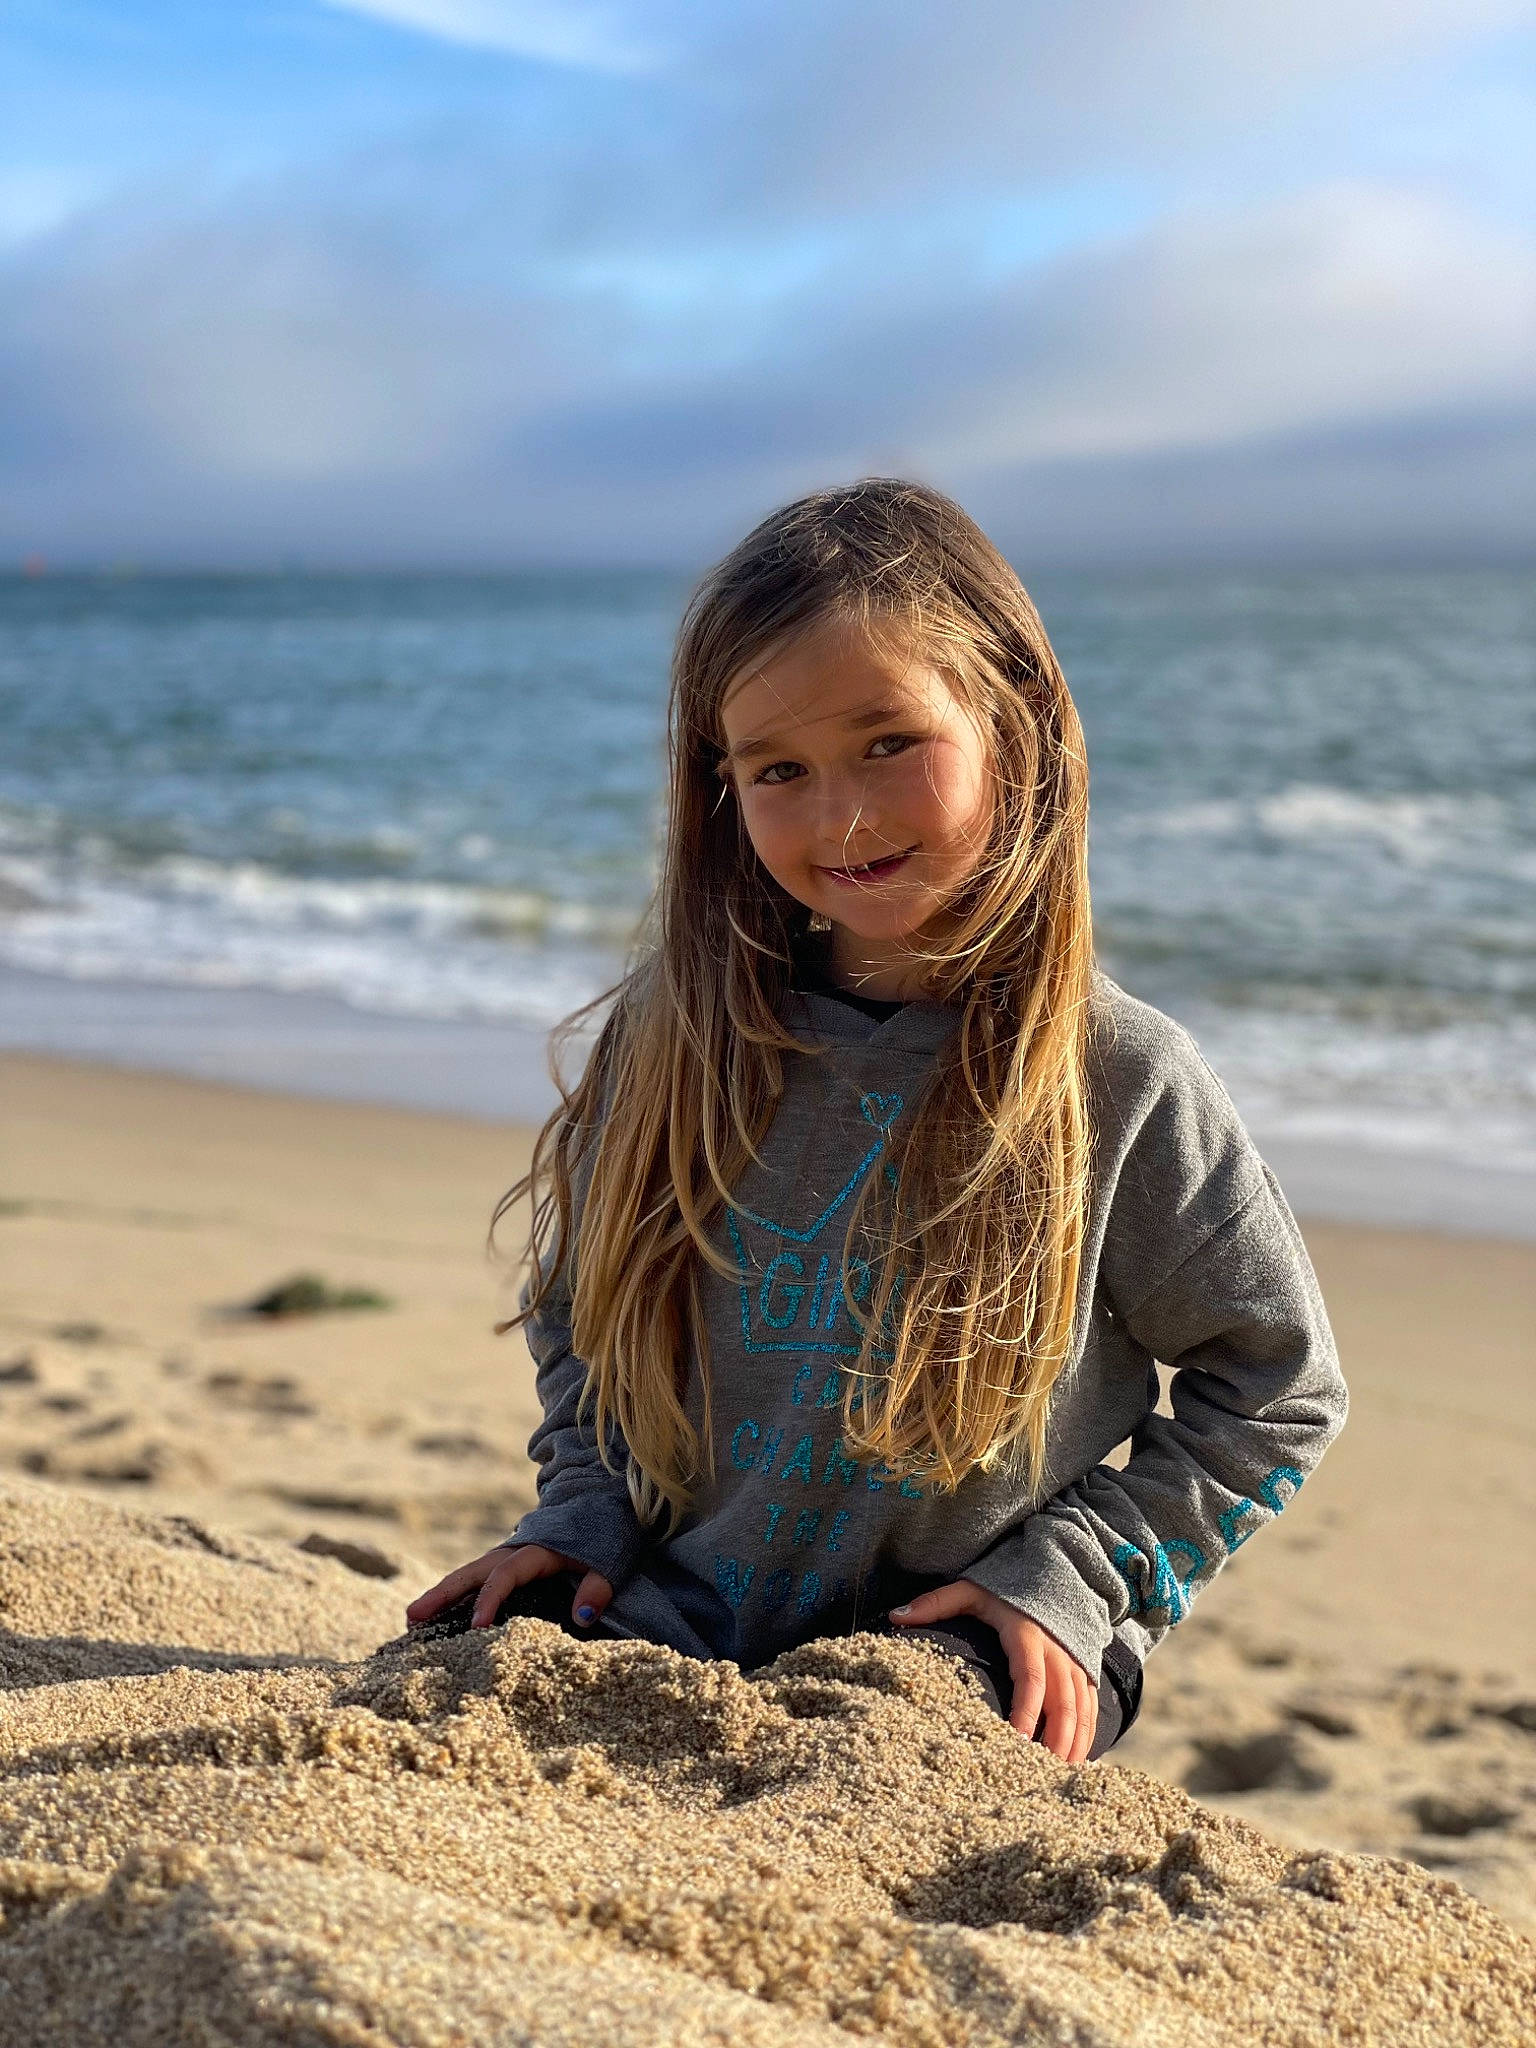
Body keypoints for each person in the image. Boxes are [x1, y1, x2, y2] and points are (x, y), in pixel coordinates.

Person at [404, 479, 1347, 1766]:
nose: (839, 812)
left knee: (867, 1765)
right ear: (718, 790)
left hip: (960, 1642)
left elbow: (1279, 1383)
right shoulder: (678, 1040)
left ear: (1013, 722)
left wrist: (1074, 1579)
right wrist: (581, 1509)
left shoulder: (1118, 1076)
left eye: (888, 741)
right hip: (677, 1607)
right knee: (440, 1679)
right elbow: (582, 1300)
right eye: (778, 768)